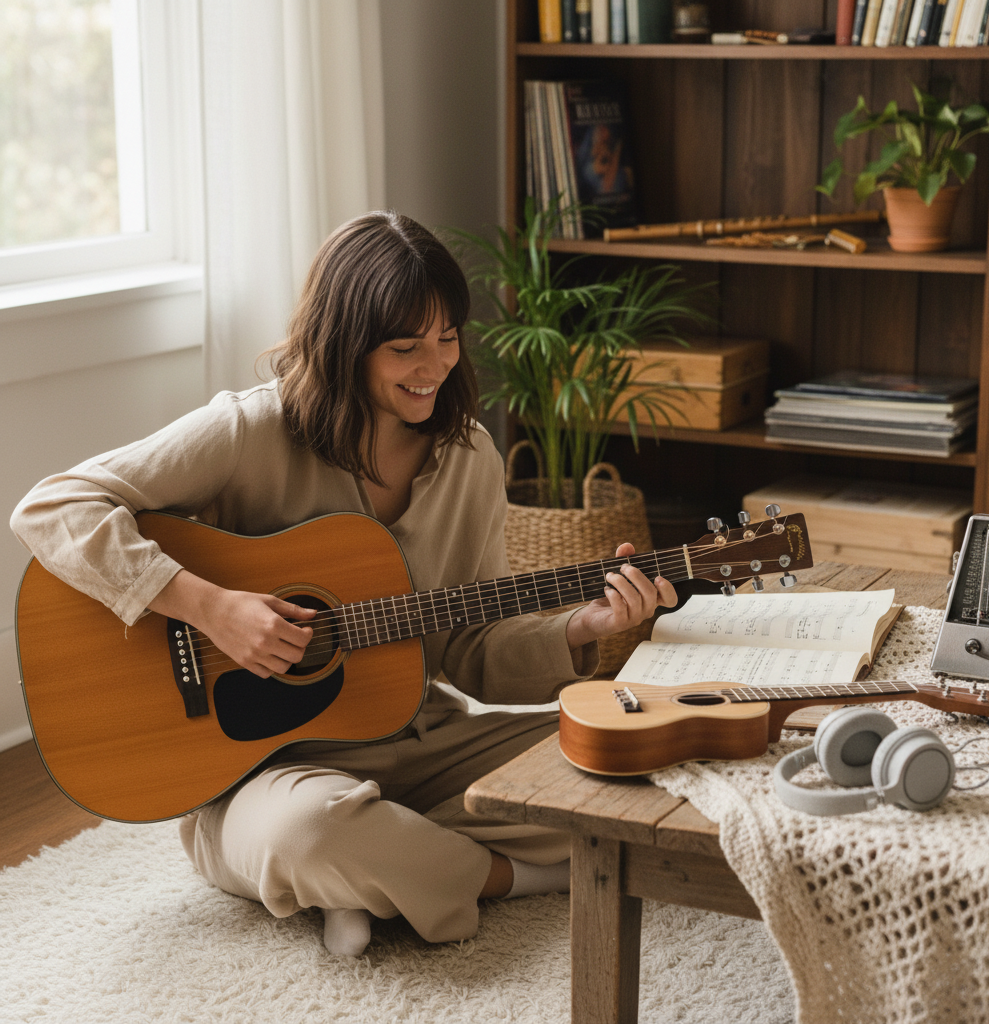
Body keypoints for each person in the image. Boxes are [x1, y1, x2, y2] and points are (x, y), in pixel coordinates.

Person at [10, 211, 677, 957]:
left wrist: (581, 627)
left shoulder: (470, 459)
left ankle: (371, 878)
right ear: (343, 346)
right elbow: (52, 506)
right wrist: (210, 607)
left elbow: (468, 649)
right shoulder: (248, 433)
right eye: (404, 347)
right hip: (260, 778)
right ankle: (506, 877)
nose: (436, 364)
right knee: (311, 833)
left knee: (631, 755)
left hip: (420, 742)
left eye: (448, 336)